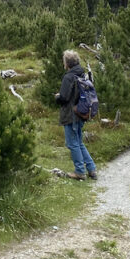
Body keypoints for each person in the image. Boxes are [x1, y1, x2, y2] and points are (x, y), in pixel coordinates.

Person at [54, 49, 97, 181]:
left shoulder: (68, 77)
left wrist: (57, 97)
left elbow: (64, 98)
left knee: (72, 143)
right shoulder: (82, 74)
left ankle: (80, 171)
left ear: (67, 63)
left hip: (70, 114)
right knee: (78, 142)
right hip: (80, 112)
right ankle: (91, 169)